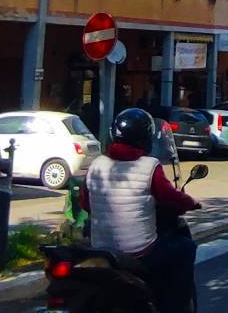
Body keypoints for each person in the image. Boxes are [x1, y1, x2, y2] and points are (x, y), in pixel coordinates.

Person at [79, 108, 200, 313]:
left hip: (101, 248)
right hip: (139, 250)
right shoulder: (150, 166)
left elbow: (85, 203)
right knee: (185, 248)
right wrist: (191, 202)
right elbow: (169, 197)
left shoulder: (96, 164)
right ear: (146, 138)